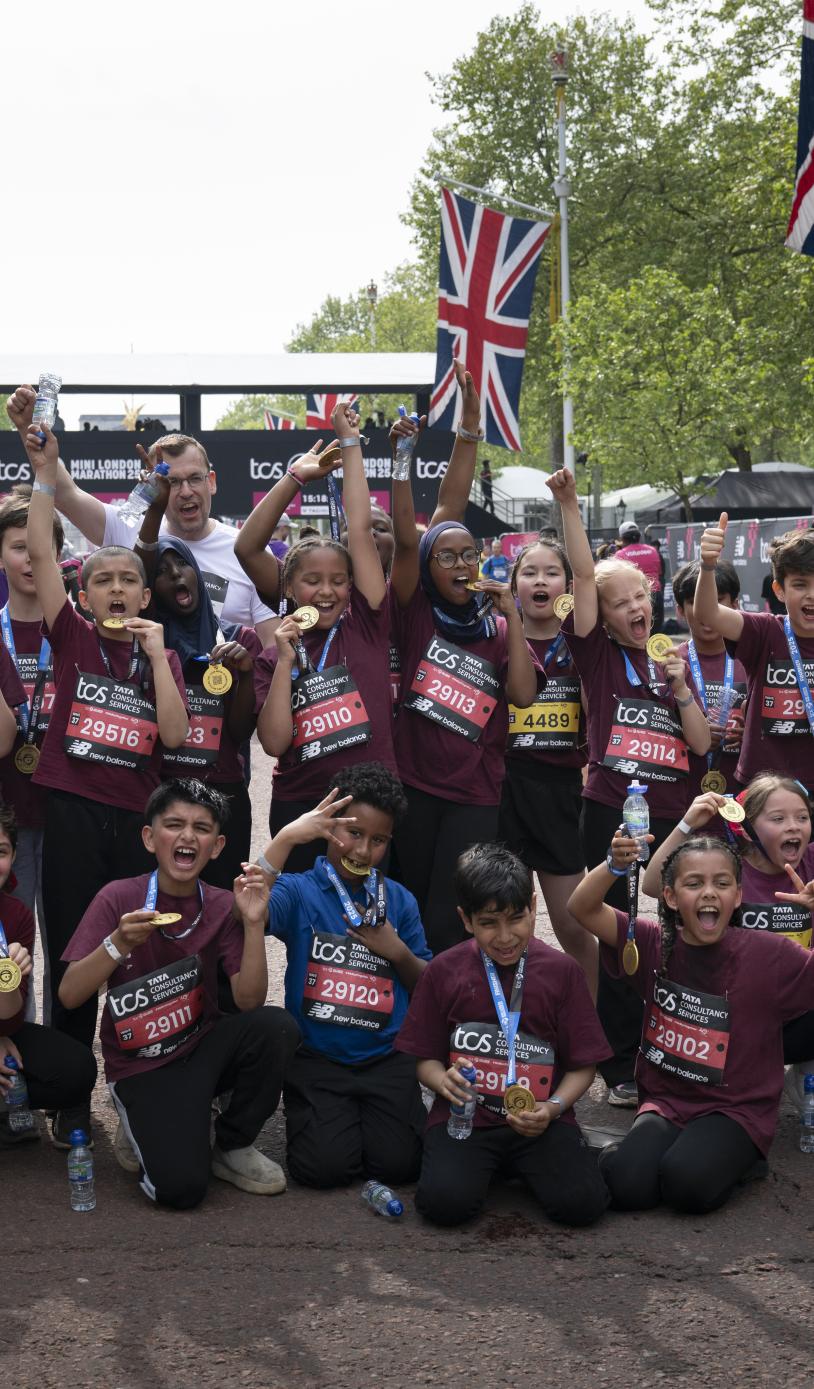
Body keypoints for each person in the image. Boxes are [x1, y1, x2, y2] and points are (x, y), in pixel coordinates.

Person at [20, 418, 189, 1143]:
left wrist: (156, 659)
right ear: (82, 594)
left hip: (134, 822)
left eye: (128, 581)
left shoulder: (166, 657)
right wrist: (43, 474)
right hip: (72, 812)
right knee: (71, 949)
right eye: (103, 581)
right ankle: (65, 1091)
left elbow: (178, 739)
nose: (116, 590)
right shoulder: (73, 635)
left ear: (145, 596)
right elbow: (35, 545)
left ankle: (135, 1079)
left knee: (136, 948)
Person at [59, 779, 300, 1208]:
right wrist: (116, 944)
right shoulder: (119, 898)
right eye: (174, 824)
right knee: (181, 1190)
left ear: (218, 845)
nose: (188, 836)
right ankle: (141, 1122)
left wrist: (252, 924)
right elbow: (69, 996)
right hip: (141, 1067)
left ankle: (232, 1143)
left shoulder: (225, 903)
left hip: (202, 1047)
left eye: (201, 828)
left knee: (276, 1027)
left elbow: (248, 1002)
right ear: (150, 837)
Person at [550, 466, 710, 1108]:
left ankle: (680, 1045)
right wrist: (567, 505)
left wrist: (679, 689)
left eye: (639, 596)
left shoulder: (675, 654)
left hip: (677, 816)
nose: (633, 608)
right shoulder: (592, 650)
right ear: (603, 617)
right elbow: (585, 576)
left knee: (682, 927)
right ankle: (620, 1064)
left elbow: (700, 746)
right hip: (612, 814)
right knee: (618, 935)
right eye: (619, 603)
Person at [569, 830, 814, 1214]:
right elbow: (581, 907)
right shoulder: (650, 941)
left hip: (737, 1109)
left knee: (687, 1186)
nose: (709, 893)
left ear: (738, 896)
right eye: (694, 883)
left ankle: (746, 1161)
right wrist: (615, 865)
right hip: (667, 1103)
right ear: (670, 896)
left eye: (722, 883)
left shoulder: (769, 953)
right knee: (629, 1188)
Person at [388, 384, 537, 953]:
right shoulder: (416, 613)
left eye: (468, 553)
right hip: (416, 785)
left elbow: (522, 698)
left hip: (476, 792)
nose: (459, 562)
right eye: (445, 556)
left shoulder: (499, 627)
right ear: (429, 570)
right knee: (413, 903)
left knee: (456, 912)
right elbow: (414, 531)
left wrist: (515, 621)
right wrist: (410, 455)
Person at [395, 843, 610, 1228]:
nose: (506, 936)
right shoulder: (442, 972)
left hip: (541, 1120)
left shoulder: (563, 972)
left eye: (516, 918)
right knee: (444, 1207)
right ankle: (489, 1168)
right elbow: (423, 1058)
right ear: (466, 919)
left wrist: (554, 1108)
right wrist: (441, 1080)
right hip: (466, 1119)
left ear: (533, 906)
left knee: (583, 1205)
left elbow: (584, 1066)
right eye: (489, 923)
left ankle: (526, 1165)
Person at [258, 763, 431, 1189]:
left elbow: (429, 985)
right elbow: (251, 909)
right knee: (322, 1171)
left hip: (386, 1059)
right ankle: (325, 1116)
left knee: (401, 1167)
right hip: (319, 1061)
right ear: (330, 828)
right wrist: (286, 837)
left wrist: (398, 952)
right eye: (353, 834)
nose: (362, 850)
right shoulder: (299, 890)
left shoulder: (400, 901)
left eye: (378, 840)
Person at [243, 407, 398, 873]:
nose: (327, 591)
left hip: (371, 808)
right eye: (312, 580)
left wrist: (350, 444)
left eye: (339, 580)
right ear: (287, 589)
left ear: (353, 586)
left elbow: (358, 526)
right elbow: (273, 743)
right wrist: (295, 477)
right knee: (306, 936)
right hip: (301, 807)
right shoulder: (276, 657)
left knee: (366, 933)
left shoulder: (366, 623)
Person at [5, 388, 277, 643]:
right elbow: (66, 495)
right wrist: (29, 426)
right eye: (171, 481)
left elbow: (271, 651)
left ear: (212, 482)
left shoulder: (246, 551)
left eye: (194, 479)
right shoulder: (125, 528)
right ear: (151, 484)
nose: (185, 492)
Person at [642, 776, 814, 1088]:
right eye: (778, 818)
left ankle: (805, 1078)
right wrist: (686, 824)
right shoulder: (726, 869)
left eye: (802, 817)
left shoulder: (812, 862)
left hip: (796, 1007)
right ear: (747, 826)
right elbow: (653, 885)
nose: (793, 826)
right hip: (731, 1019)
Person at [135, 474, 261, 888]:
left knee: (224, 909)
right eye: (164, 572)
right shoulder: (147, 641)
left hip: (224, 790)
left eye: (183, 565)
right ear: (152, 589)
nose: (175, 576)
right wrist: (155, 506)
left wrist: (243, 678)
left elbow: (242, 732)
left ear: (197, 573)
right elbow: (143, 556)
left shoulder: (236, 639)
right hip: (163, 790)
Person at [498, 539, 597, 996]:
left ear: (567, 585)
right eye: (529, 572)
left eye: (551, 572)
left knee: (574, 925)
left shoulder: (584, 643)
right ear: (513, 583)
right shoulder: (496, 634)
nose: (540, 580)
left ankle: (595, 1026)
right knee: (504, 925)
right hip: (501, 791)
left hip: (560, 795)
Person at [0, 489, 65, 1021]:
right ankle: (14, 1055)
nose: (29, 558)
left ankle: (58, 1061)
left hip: (67, 814)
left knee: (64, 945)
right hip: (8, 818)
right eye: (19, 546)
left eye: (39, 546)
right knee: (10, 945)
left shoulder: (76, 633)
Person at [0, 804, 96, 1146]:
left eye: (1, 851)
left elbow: (9, 1018)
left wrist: (8, 978)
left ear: (13, 857)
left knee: (77, 1069)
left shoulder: (15, 915)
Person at [695, 518, 814, 791]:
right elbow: (707, 613)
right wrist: (708, 565)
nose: (811, 595)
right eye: (800, 584)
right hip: (763, 787)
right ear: (779, 590)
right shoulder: (765, 630)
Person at [671, 559, 748, 809]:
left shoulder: (753, 661)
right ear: (680, 610)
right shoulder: (669, 665)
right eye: (695, 602)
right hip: (682, 800)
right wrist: (692, 735)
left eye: (717, 600)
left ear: (734, 605)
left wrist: (748, 733)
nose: (705, 611)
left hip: (742, 798)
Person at [616, 521, 664, 629]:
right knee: (656, 637)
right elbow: (659, 572)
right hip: (656, 594)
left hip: (636, 599)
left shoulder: (620, 555)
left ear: (622, 538)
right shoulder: (653, 550)